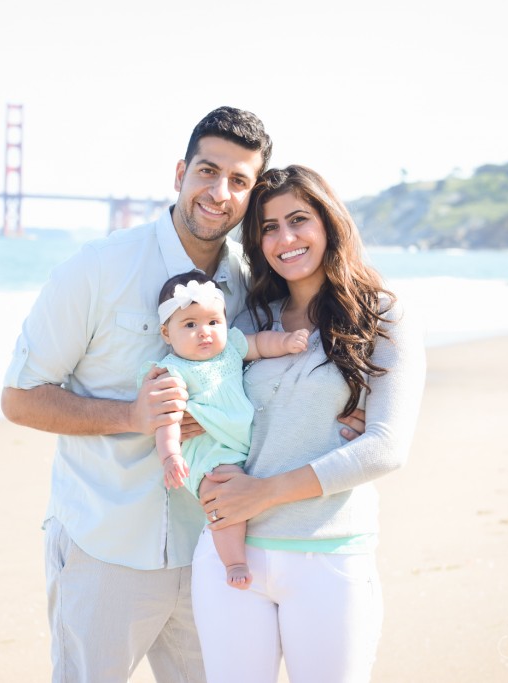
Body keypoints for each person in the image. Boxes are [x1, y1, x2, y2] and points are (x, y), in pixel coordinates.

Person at [0, 108, 364, 683]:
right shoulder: (96, 269)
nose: (219, 193)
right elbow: (20, 399)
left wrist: (350, 406)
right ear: (180, 172)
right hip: (105, 546)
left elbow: (300, 352)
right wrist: (132, 415)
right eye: (207, 171)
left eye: (240, 181)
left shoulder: (256, 278)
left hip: (217, 553)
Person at [190, 165, 426, 683]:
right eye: (268, 228)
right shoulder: (250, 321)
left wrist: (264, 493)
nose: (285, 238)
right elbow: (201, 401)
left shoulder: (381, 316)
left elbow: (387, 446)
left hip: (329, 555)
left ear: (329, 222)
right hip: (229, 553)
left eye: (299, 220)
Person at [146, 271, 308, 590]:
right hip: (213, 451)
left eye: (212, 322)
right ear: (167, 333)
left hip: (245, 441)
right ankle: (234, 561)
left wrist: (287, 342)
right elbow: (166, 421)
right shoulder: (174, 372)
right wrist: (170, 457)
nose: (204, 332)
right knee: (223, 497)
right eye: (190, 325)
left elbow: (260, 343)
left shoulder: (230, 348)